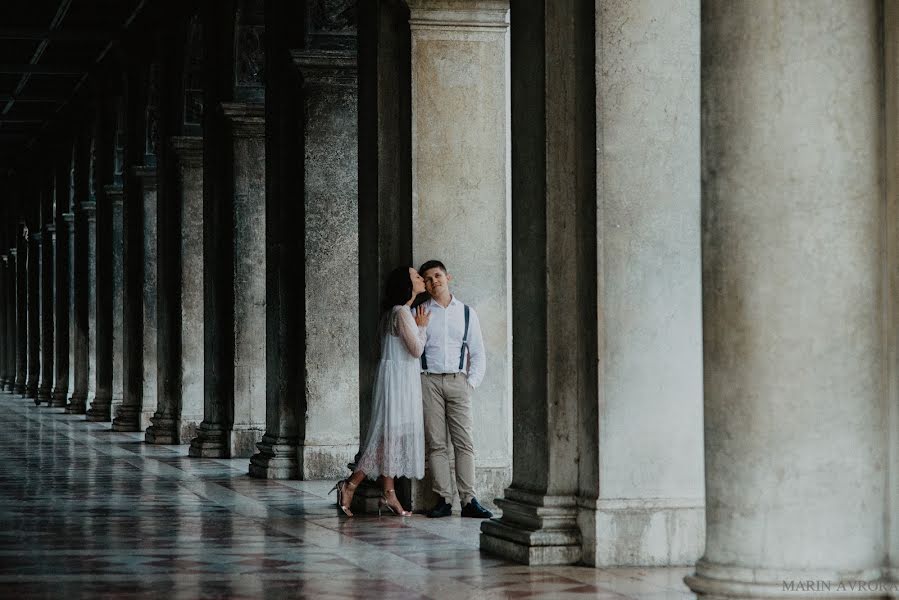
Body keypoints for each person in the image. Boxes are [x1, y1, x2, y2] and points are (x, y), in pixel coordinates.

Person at [333, 266, 430, 517]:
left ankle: (389, 494)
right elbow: (416, 349)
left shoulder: (394, 313)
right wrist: (422, 328)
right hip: (400, 383)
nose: (421, 279)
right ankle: (351, 484)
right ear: (406, 285)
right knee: (386, 438)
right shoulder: (401, 313)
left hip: (396, 380)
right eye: (416, 277)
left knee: (391, 437)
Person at [417, 260, 493, 519]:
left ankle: (469, 499)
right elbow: (415, 349)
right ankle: (444, 500)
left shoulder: (467, 313)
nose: (433, 281)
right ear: (424, 285)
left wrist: (470, 383)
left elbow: (479, 353)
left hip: (458, 381)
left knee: (464, 443)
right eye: (427, 279)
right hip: (429, 381)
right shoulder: (422, 312)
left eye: (437, 275)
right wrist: (421, 327)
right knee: (437, 443)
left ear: (448, 277)